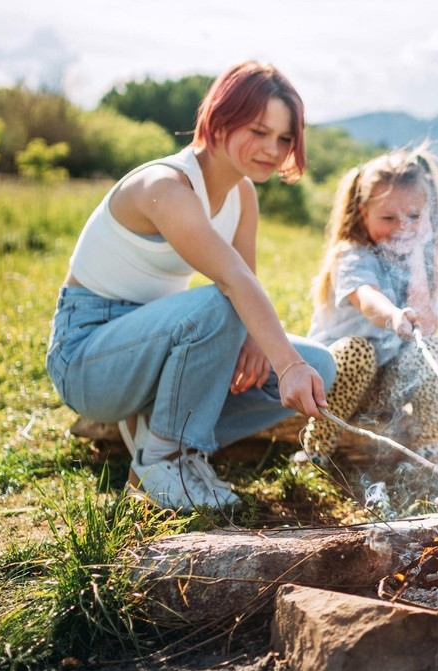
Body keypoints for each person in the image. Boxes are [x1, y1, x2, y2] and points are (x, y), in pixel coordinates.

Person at [45, 60, 336, 512]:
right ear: (220, 118)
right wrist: (285, 361)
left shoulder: (242, 194)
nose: (271, 149)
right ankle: (161, 462)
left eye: (283, 138)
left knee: (320, 364)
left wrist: (268, 348)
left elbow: (247, 281)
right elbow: (234, 280)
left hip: (154, 348)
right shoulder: (165, 185)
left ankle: (170, 438)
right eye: (258, 131)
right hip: (88, 360)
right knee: (225, 306)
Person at [296, 143, 438, 465]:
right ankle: (317, 449)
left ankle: (426, 448)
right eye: (388, 217)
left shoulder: (419, 262)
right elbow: (367, 299)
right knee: (359, 350)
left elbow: (427, 325)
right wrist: (393, 315)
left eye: (414, 216)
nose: (402, 227)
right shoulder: (352, 255)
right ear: (362, 213)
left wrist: (415, 261)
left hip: (384, 388)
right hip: (335, 381)